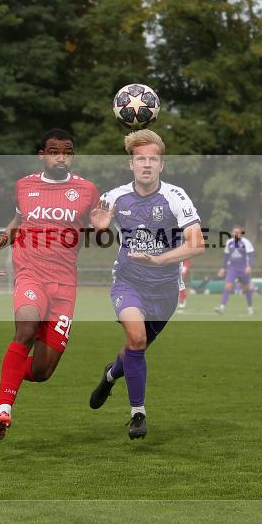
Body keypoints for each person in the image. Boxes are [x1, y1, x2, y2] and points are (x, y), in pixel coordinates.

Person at [0, 129, 112, 440]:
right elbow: (18, 223)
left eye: (67, 151)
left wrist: (103, 228)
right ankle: (4, 409)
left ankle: (9, 372)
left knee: (42, 372)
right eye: (54, 151)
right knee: (25, 329)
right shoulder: (24, 185)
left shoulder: (86, 190)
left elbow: (99, 237)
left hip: (64, 284)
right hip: (30, 273)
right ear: (41, 154)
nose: (61, 156)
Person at [88, 129, 205, 439]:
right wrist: (99, 230)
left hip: (165, 289)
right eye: (141, 159)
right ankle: (137, 414)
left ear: (162, 165)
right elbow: (99, 237)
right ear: (131, 165)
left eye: (153, 159)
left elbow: (197, 244)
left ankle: (110, 376)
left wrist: (159, 260)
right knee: (136, 339)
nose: (147, 165)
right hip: (127, 281)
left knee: (135, 349)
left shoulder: (176, 196)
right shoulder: (113, 197)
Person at [214, 226, 255, 316]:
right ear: (232, 233)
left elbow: (251, 255)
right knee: (228, 286)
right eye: (235, 232)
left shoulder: (245, 242)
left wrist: (249, 266)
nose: (236, 234)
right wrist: (223, 268)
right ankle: (221, 307)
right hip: (232, 268)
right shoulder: (229, 242)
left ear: (241, 234)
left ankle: (250, 307)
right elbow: (226, 256)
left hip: (243, 268)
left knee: (247, 288)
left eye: (238, 232)